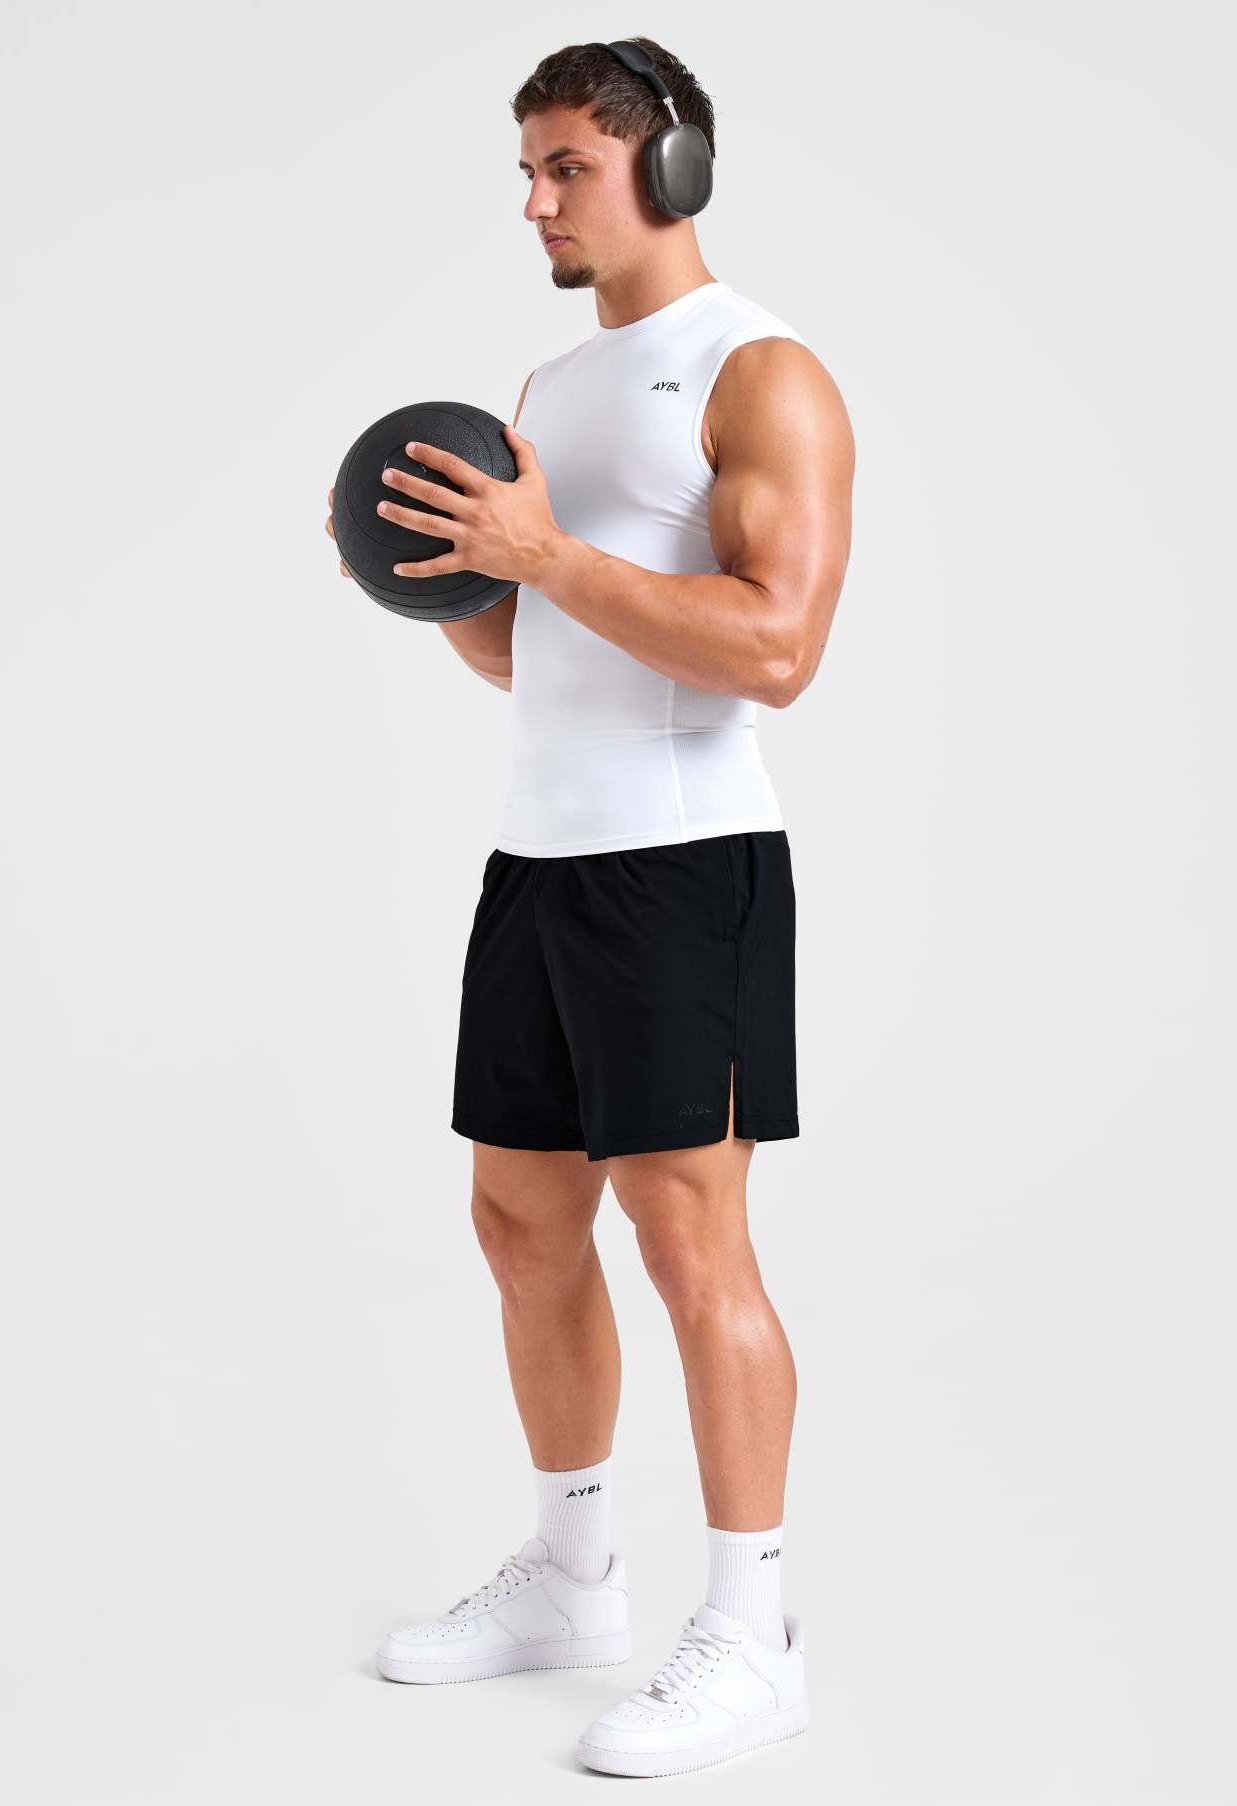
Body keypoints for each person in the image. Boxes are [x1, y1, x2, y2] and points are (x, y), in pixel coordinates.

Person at [326, 36, 854, 1779]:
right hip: (537, 860)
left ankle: (752, 1633)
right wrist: (440, 577)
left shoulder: (760, 372)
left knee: (692, 1247)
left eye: (568, 167)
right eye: (528, 170)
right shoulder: (548, 388)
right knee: (518, 1222)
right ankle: (570, 1578)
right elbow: (529, 655)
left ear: (671, 167)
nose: (537, 203)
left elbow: (774, 645)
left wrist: (547, 553)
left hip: (686, 865)